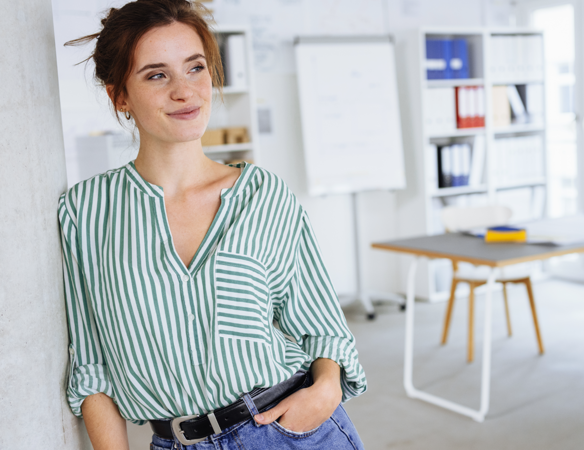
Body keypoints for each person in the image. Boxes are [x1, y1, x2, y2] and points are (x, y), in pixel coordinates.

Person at [58, 1, 367, 449]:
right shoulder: (86, 211)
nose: (185, 91)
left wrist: (324, 391)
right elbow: (91, 367)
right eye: (156, 74)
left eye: (195, 68)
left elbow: (322, 326)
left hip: (290, 430)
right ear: (118, 95)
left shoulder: (263, 195)